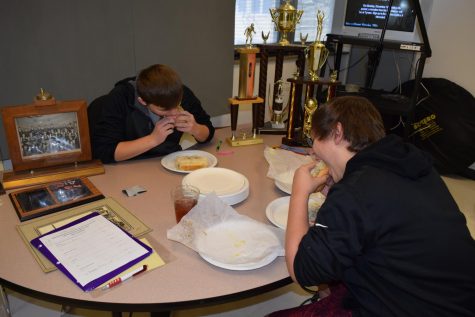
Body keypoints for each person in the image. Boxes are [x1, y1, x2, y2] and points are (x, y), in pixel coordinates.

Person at [269, 96, 475, 316]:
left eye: (314, 141)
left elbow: (301, 271)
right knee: (337, 285)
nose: (312, 152)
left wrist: (299, 194)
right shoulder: (412, 164)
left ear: (337, 133)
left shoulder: (355, 192)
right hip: (458, 300)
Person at [88, 64, 215, 163]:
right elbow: (104, 151)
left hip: (167, 162)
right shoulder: (120, 98)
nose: (174, 113)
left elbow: (208, 132)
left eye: (177, 105)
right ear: (142, 101)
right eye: (164, 110)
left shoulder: (179, 92)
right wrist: (153, 139)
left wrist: (196, 129)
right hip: (128, 167)